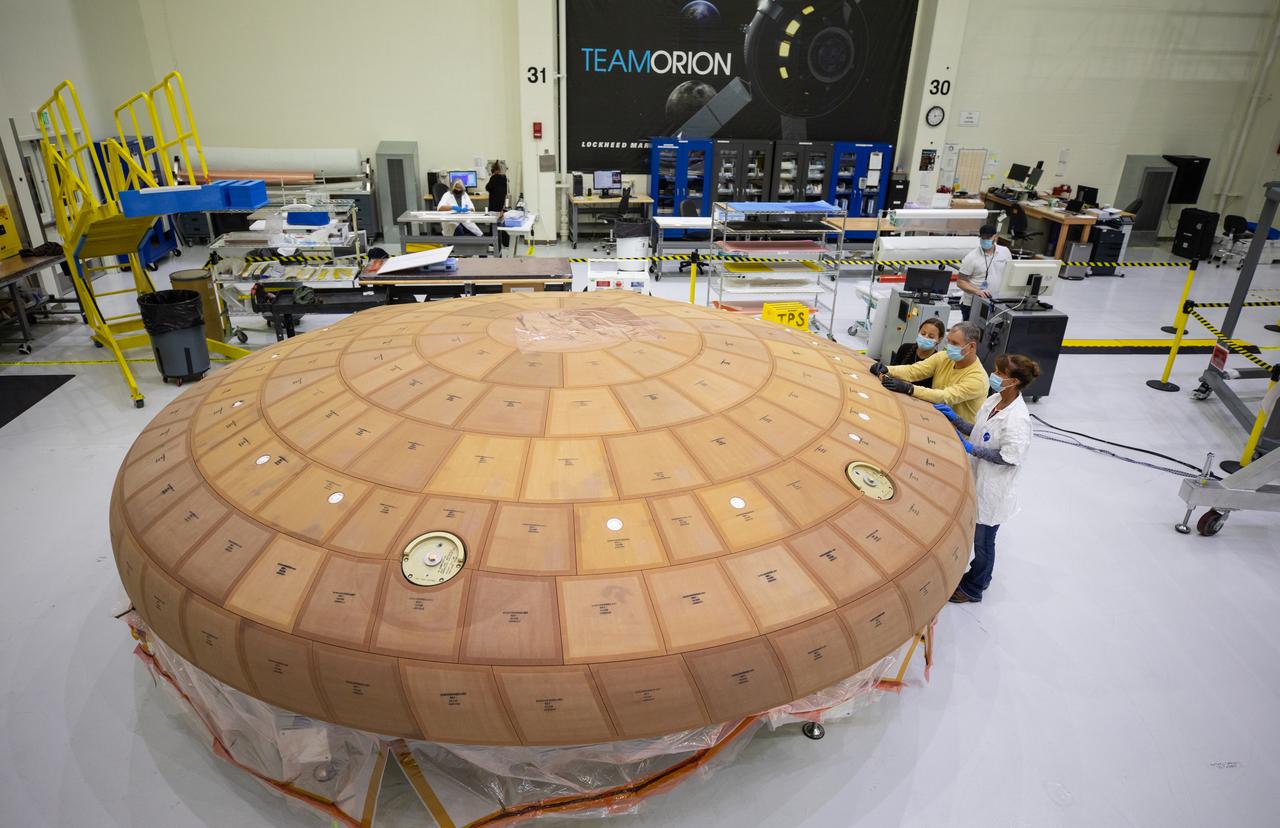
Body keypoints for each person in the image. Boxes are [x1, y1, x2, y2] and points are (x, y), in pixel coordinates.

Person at [934, 353, 1038, 604]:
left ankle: (975, 588)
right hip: (978, 477)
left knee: (983, 542)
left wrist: (973, 450)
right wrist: (954, 419)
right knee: (976, 536)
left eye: (1000, 373)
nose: (994, 376)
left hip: (993, 490)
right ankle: (981, 577)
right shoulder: (994, 400)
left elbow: (1008, 456)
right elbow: (979, 431)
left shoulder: (1018, 420)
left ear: (1013, 382)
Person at [871, 322, 989, 423]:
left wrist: (909, 388)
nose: (949, 347)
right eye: (948, 342)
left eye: (955, 343)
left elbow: (945, 397)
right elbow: (915, 370)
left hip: (958, 436)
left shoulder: (978, 378)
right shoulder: (944, 357)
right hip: (935, 419)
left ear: (972, 347)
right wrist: (887, 369)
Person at [956, 224, 1011, 320]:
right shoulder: (971, 257)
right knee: (971, 333)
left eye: (988, 238)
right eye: (983, 238)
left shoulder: (1005, 252)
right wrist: (977, 291)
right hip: (973, 304)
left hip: (997, 302)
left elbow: (1010, 272)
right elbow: (960, 281)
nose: (985, 240)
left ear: (995, 237)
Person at [889, 317, 946, 389]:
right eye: (923, 333)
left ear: (939, 339)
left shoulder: (938, 360)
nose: (925, 337)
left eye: (931, 337)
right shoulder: (905, 348)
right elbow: (892, 371)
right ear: (918, 332)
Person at [484, 161, 510, 248]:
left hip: (494, 206)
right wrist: (502, 208)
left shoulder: (494, 178)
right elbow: (504, 192)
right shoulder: (504, 178)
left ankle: (492, 243)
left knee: (493, 225)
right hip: (501, 206)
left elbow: (487, 188)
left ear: (493, 171)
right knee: (503, 225)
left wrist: (492, 177)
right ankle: (506, 243)